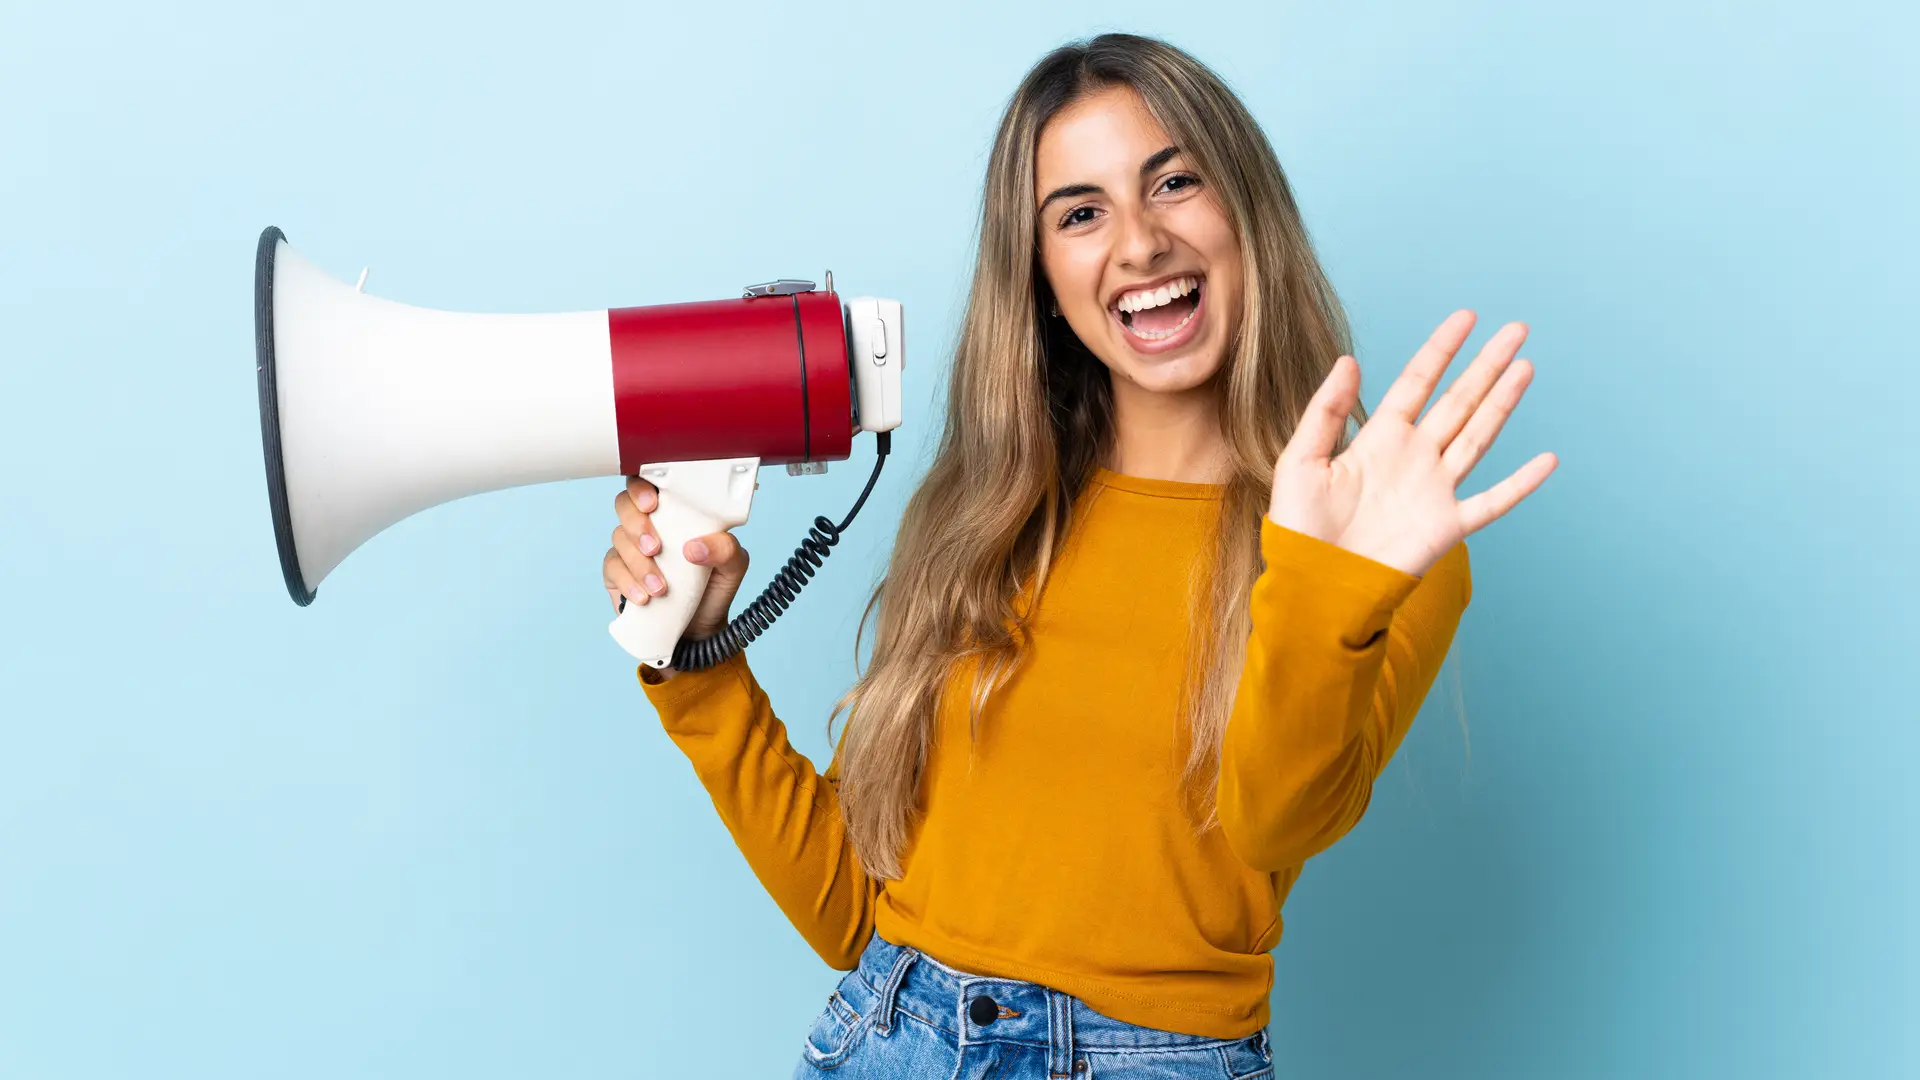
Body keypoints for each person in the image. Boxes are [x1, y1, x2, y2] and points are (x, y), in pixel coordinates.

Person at [602, 32, 1555, 1080]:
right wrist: (700, 667)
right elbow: (857, 912)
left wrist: (1330, 585)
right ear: (1044, 274)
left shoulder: (1375, 542)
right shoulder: (988, 521)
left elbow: (1279, 816)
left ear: (1249, 214)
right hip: (888, 1038)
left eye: (1176, 181)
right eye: (1082, 212)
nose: (1140, 243)